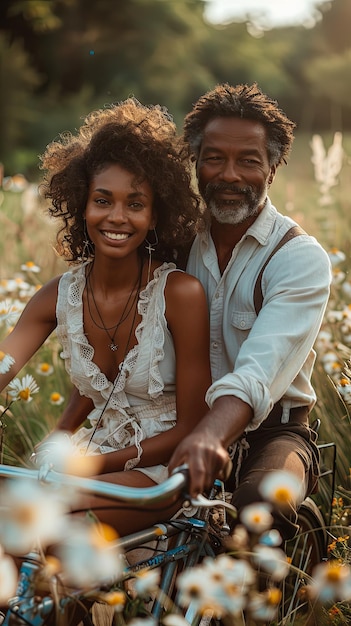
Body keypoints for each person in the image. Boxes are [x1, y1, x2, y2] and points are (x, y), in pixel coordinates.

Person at [0, 98, 212, 536]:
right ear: (81, 206)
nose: (117, 217)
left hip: (160, 472)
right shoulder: (55, 297)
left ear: (155, 215)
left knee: (33, 524)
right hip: (87, 462)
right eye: (102, 200)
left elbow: (191, 427)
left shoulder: (180, 294)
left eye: (135, 204)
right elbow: (5, 363)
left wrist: (89, 463)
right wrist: (61, 440)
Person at [169, 82, 332, 540]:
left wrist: (209, 435)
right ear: (196, 163)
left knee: (258, 507)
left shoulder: (298, 257)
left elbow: (259, 370)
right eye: (214, 158)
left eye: (248, 160)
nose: (229, 175)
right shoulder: (175, 243)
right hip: (180, 419)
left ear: (273, 168)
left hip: (276, 430)